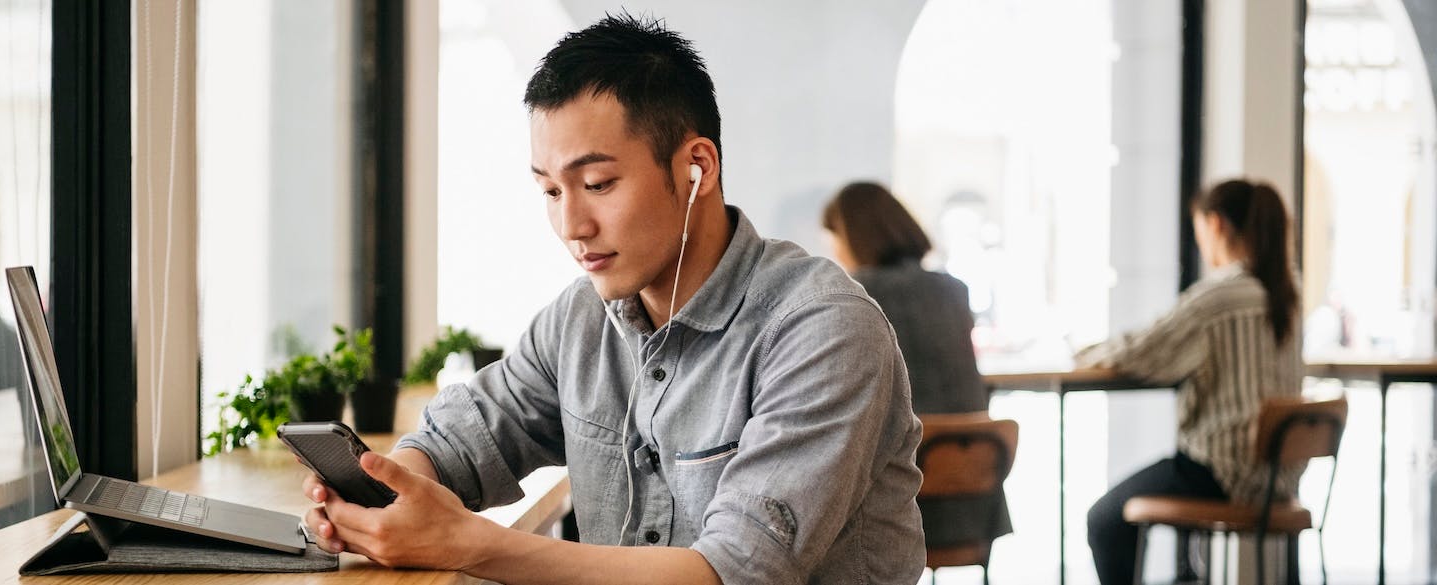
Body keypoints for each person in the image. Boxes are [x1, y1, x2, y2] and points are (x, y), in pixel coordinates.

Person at [301, 13, 926, 585]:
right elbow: (460, 440)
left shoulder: (823, 328)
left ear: (696, 169)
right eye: (550, 191)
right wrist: (391, 492)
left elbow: (737, 572)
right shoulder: (580, 319)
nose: (572, 225)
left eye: (597, 183)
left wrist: (466, 543)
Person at [1079, 179, 1303, 585]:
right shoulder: (1286, 293)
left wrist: (1083, 354)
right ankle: (1188, 572)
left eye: (1199, 230)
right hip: (1277, 479)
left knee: (1104, 521)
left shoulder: (1221, 296)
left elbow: (1144, 351)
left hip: (1223, 473)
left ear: (1215, 224)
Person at [822, 181, 1012, 549]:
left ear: (851, 236)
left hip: (901, 508)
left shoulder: (855, 294)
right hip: (974, 498)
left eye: (834, 237)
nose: (833, 250)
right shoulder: (954, 289)